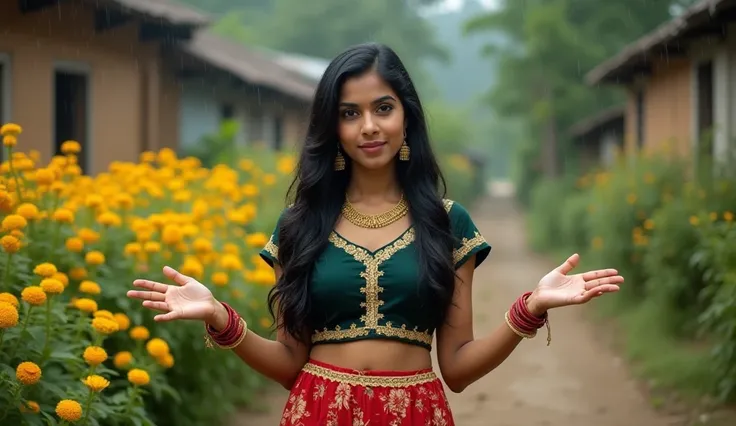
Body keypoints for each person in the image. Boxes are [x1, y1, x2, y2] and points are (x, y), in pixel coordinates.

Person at [127, 43, 623, 425]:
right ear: (334, 127)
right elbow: (287, 364)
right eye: (350, 113)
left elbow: (457, 368)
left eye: (383, 108)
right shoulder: (299, 226)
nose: (369, 126)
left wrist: (529, 310)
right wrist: (220, 317)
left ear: (406, 117)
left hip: (417, 413)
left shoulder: (448, 224)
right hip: (318, 412)